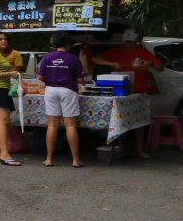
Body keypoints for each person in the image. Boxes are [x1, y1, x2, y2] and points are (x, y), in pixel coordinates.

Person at [92, 28, 164, 158]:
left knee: (140, 123)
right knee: (117, 121)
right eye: (126, 42)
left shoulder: (143, 52)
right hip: (120, 93)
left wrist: (149, 63)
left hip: (139, 92)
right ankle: (116, 147)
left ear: (136, 41)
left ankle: (139, 150)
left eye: (131, 42)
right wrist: (112, 63)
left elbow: (161, 68)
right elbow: (95, 59)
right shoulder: (117, 51)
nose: (128, 45)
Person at [38, 32, 86, 168]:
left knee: (52, 125)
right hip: (68, 90)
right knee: (70, 125)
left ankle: (48, 159)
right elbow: (80, 79)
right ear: (68, 44)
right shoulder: (73, 58)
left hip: (51, 90)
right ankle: (76, 160)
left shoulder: (47, 57)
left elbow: (41, 77)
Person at [0, 32, 23, 166]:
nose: (3, 41)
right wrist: (11, 73)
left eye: (5, 39)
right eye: (0, 39)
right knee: (3, 121)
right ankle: (5, 154)